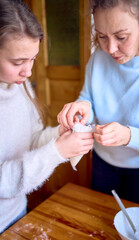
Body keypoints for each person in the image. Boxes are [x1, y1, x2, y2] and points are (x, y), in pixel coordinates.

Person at [0, 0, 94, 234]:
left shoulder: (20, 86)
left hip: (17, 214)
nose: (29, 71)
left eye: (33, 58)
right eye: (18, 62)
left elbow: (30, 141)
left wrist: (57, 136)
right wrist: (57, 152)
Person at [58, 0, 139, 210]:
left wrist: (129, 136)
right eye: (102, 36)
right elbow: (88, 98)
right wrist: (82, 107)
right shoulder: (98, 59)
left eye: (121, 37)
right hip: (103, 164)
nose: (110, 48)